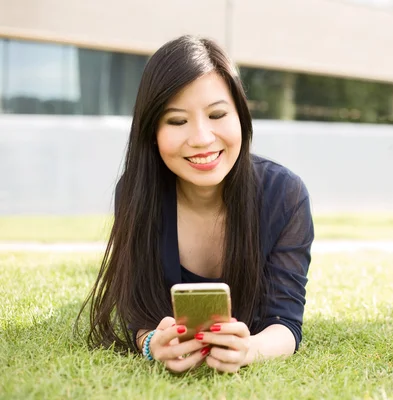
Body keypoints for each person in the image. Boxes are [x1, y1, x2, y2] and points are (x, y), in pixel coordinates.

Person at [76, 35, 314, 374]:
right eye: (176, 120)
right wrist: (151, 344)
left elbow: (285, 322)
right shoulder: (137, 192)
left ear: (241, 118)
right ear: (152, 131)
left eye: (217, 114)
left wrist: (249, 350)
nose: (202, 138)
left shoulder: (285, 195)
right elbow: (137, 310)